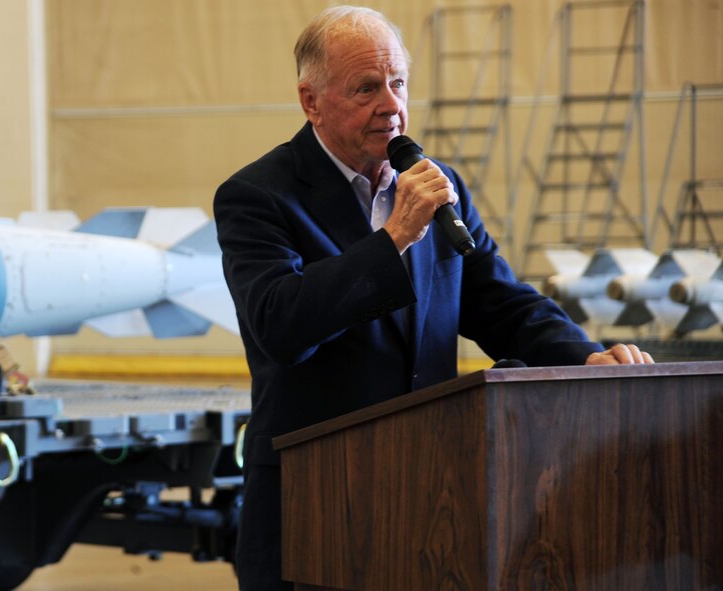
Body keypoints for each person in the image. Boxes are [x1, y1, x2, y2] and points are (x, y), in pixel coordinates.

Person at [213, 6, 654, 590]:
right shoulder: (256, 196)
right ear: (310, 101)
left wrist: (586, 357)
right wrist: (395, 237)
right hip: (316, 501)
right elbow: (281, 326)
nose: (391, 104)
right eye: (366, 88)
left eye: (398, 83)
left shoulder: (433, 183)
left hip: (429, 493)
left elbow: (499, 301)